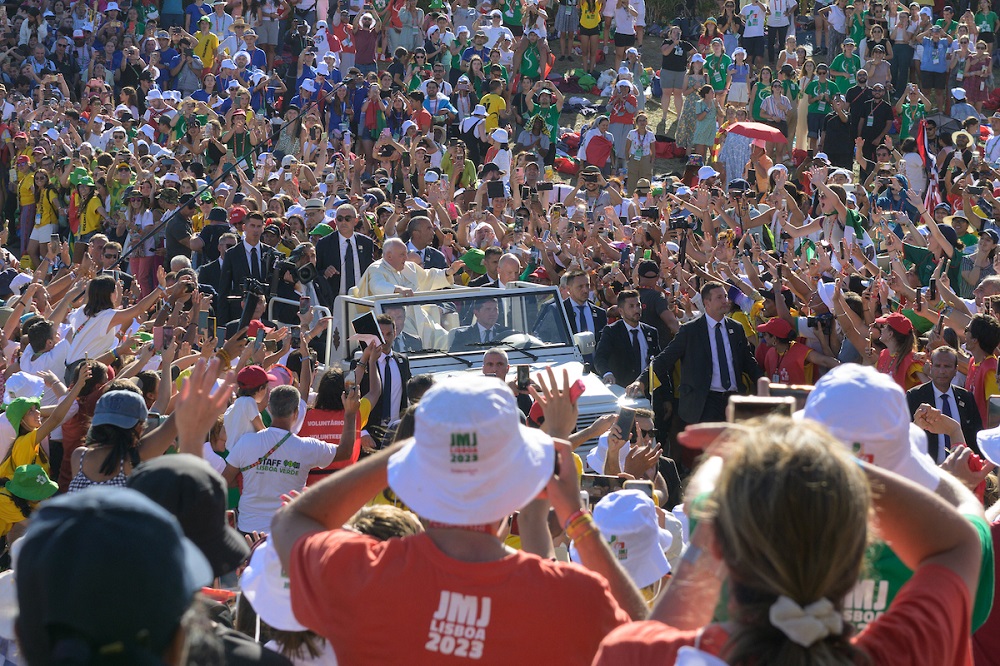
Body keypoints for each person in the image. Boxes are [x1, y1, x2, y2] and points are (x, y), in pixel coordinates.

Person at [271, 374, 645, 664]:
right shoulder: (575, 596)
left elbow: (292, 521)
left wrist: (408, 450)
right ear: (518, 482)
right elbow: (651, 639)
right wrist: (577, 519)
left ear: (413, 478)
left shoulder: (362, 572)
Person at [593, 416, 982, 665]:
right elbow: (959, 542)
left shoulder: (635, 654)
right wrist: (821, 460)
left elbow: (656, 636)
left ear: (719, 547)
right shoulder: (905, 650)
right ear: (859, 551)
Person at [224, 385, 358, 535]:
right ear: (296, 412)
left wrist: (251, 479)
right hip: (287, 533)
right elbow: (345, 452)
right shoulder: (306, 447)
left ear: (269, 408)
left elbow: (224, 480)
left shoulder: (246, 442)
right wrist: (350, 414)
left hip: (248, 530)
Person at [651, 280, 762, 431]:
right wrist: (641, 382)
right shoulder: (690, 331)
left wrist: (764, 382)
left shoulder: (736, 328)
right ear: (706, 303)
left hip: (733, 400)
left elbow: (748, 362)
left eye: (725, 296)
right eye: (719, 297)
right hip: (705, 402)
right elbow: (665, 359)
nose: (725, 301)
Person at [907, 346, 982, 462]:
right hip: (928, 469)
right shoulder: (915, 396)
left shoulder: (966, 398)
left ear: (956, 370)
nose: (942, 371)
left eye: (947, 366)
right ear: (930, 367)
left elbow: (976, 437)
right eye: (937, 366)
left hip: (960, 470)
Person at [594, 289, 660, 391]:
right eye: (631, 306)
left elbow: (658, 364)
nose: (636, 310)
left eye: (638, 305)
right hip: (622, 391)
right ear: (621, 311)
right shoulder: (612, 331)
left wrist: (666, 398)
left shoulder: (651, 332)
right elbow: (600, 357)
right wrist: (607, 374)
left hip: (648, 392)